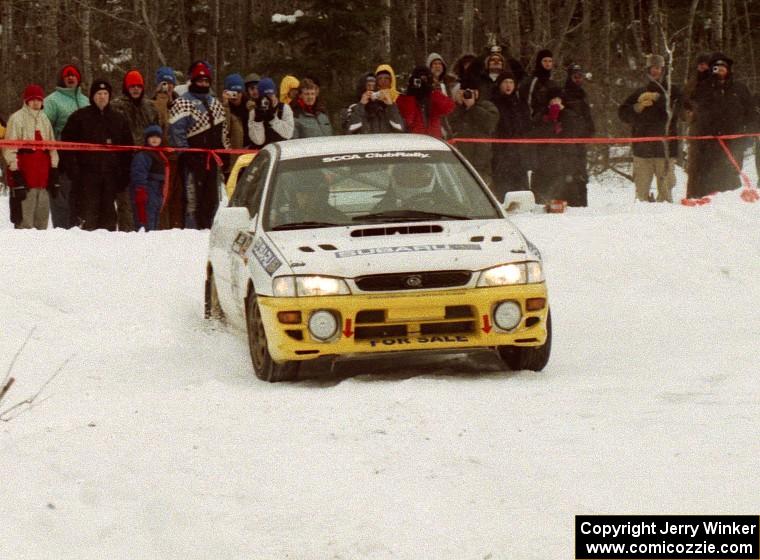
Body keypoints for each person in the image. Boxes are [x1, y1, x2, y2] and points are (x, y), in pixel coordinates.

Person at [61, 79, 133, 231]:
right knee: (88, 219)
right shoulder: (79, 117)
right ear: (92, 96)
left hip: (111, 177)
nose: (102, 97)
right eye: (99, 93)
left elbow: (128, 150)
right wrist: (74, 172)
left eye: (105, 93)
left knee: (108, 221)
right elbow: (66, 146)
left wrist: (124, 175)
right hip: (86, 178)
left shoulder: (118, 119)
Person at [168, 60, 229, 229]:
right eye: (200, 81)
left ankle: (211, 229)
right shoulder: (182, 102)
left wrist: (225, 153)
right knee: (192, 200)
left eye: (206, 81)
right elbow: (176, 132)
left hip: (213, 159)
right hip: (192, 161)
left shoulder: (215, 102)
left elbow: (223, 130)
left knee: (213, 199)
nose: (203, 84)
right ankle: (192, 231)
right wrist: (186, 154)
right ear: (193, 81)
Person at [689, 53, 755, 196]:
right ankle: (707, 202)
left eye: (723, 67)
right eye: (716, 67)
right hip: (710, 141)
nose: (720, 70)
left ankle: (730, 201)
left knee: (731, 171)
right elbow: (696, 109)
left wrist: (749, 134)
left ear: (729, 69)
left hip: (734, 140)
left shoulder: (740, 88)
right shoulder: (703, 88)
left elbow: (751, 112)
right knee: (709, 173)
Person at [619, 54, 682, 203]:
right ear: (648, 70)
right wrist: (637, 107)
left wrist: (659, 99)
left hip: (665, 151)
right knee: (641, 196)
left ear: (664, 70)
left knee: (666, 197)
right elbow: (622, 113)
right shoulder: (639, 92)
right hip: (642, 151)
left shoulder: (673, 91)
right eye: (653, 68)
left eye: (659, 68)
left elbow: (679, 111)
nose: (656, 71)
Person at [3, 85, 60, 229]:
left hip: (43, 179)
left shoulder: (45, 119)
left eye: (39, 100)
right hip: (25, 178)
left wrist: (54, 169)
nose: (36, 103)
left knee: (42, 222)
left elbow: (52, 146)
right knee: (24, 223)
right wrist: (15, 172)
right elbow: (10, 148)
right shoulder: (16, 119)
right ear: (26, 101)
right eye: (32, 100)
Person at [111, 70, 160, 231]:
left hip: (146, 161)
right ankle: (127, 234)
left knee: (146, 201)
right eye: (132, 86)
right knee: (126, 203)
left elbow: (157, 130)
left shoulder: (150, 107)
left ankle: (145, 231)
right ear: (126, 87)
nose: (136, 89)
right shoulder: (117, 106)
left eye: (139, 86)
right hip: (123, 160)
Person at [43, 63, 89, 228]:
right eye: (67, 76)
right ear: (62, 80)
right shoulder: (52, 100)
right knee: (62, 197)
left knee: (81, 197)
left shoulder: (86, 100)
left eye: (73, 75)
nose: (70, 78)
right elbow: (43, 127)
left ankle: (81, 230)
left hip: (84, 159)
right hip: (61, 158)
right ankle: (62, 231)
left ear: (78, 78)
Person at [447, 77, 499, 185]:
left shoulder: (487, 106)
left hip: (481, 161)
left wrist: (473, 107)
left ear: (478, 92)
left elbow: (490, 123)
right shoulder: (455, 108)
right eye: (465, 91)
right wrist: (459, 105)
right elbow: (449, 124)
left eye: (471, 91)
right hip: (459, 159)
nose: (468, 94)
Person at [151, 66, 183, 229]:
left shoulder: (181, 102)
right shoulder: (153, 103)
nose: (167, 87)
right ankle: (162, 229)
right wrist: (162, 99)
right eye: (164, 83)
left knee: (178, 198)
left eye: (170, 83)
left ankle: (177, 229)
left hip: (178, 156)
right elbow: (160, 125)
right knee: (163, 196)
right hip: (161, 157)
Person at [491, 70, 531, 200]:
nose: (508, 85)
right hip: (501, 152)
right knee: (503, 189)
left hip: (519, 152)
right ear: (499, 84)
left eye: (511, 82)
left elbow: (526, 125)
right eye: (505, 82)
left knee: (521, 189)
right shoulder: (494, 102)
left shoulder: (520, 103)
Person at [560, 64, 595, 206]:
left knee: (581, 174)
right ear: (570, 77)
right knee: (569, 173)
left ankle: (582, 204)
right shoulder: (563, 93)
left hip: (580, 141)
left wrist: (590, 129)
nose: (578, 80)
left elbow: (586, 115)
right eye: (575, 77)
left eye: (580, 77)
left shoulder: (583, 94)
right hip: (567, 141)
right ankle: (571, 203)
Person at [396, 65, 455, 139]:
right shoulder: (405, 98)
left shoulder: (433, 96)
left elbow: (448, 107)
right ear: (413, 80)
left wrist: (431, 90)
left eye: (424, 79)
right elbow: (408, 119)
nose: (421, 82)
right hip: (414, 141)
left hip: (433, 140)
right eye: (418, 79)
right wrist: (410, 94)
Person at [683, 54, 712, 198]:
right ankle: (692, 194)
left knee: (710, 162)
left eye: (705, 64)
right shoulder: (693, 80)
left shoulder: (714, 80)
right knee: (694, 162)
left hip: (713, 126)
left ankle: (710, 194)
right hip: (696, 125)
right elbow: (685, 99)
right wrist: (690, 109)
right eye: (700, 64)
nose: (702, 67)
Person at [130, 125, 165, 232]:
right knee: (145, 218)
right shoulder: (143, 155)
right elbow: (138, 173)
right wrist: (140, 189)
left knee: (154, 215)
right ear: (147, 139)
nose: (155, 139)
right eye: (152, 137)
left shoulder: (160, 154)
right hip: (146, 189)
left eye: (157, 137)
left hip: (157, 190)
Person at [248, 77, 294, 147]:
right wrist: (258, 121)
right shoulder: (254, 113)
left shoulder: (284, 108)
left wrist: (273, 119)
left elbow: (288, 134)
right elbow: (258, 141)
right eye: (265, 96)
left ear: (275, 93)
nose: (268, 99)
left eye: (270, 95)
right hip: (264, 152)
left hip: (283, 150)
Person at [222, 73, 249, 173]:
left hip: (248, 154)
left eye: (238, 92)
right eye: (232, 92)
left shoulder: (249, 106)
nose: (235, 96)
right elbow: (225, 129)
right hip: (231, 157)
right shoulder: (224, 107)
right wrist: (225, 106)